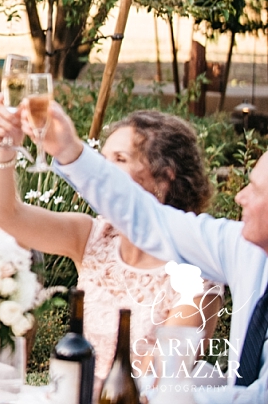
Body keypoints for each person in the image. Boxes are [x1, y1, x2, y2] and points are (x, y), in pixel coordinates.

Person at [27, 99, 268, 402]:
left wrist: (174, 398)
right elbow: (148, 218)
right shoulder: (240, 247)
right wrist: (69, 151)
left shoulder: (203, 276)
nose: (240, 197)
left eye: (256, 191)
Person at [0, 104, 223, 389]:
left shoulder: (196, 276)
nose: (101, 172)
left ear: (165, 177)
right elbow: (4, 214)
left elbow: (155, 380)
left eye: (119, 159)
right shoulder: (93, 236)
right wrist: (4, 148)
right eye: (102, 159)